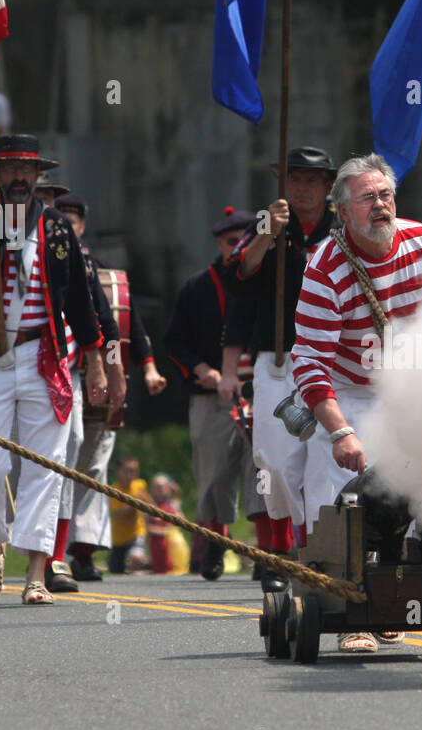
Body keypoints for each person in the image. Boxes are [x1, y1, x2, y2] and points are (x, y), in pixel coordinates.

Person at [0, 134, 108, 606]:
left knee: (46, 465)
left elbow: (80, 300)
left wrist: (95, 364)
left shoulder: (56, 226)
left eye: (26, 169)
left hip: (44, 358)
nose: (18, 177)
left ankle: (36, 570)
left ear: (38, 176)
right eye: (10, 168)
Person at [291, 152, 422, 650]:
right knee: (345, 496)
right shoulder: (325, 266)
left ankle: (402, 597)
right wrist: (339, 431)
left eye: (386, 195)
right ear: (342, 211)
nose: (381, 205)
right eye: (368, 198)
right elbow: (310, 361)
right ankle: (354, 611)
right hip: (349, 388)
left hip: (411, 386)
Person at [220, 146, 339, 592]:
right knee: (272, 458)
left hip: (328, 357)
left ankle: (308, 550)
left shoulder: (342, 226)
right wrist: (267, 234)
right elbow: (237, 277)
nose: (303, 187)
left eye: (311, 179)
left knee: (321, 455)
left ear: (328, 186)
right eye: (295, 179)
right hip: (277, 359)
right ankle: (283, 544)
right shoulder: (266, 225)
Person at [58, 193, 166, 584]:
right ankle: (35, 548)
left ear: (83, 226)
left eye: (73, 219)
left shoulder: (103, 272)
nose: (67, 225)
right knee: (56, 462)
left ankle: (81, 553)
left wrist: (148, 368)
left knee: (94, 465)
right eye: (60, 218)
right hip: (54, 377)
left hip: (99, 379)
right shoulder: (35, 266)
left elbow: (126, 325)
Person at [165, 209, 262, 580]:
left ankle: (265, 552)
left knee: (262, 472)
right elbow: (174, 341)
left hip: (258, 391)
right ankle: (216, 542)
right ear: (219, 244)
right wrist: (202, 371)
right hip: (211, 396)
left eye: (245, 239)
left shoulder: (266, 279)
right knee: (214, 473)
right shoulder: (196, 287)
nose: (238, 246)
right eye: (230, 241)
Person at [108, 455, 149, 574]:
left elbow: (150, 504)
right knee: (115, 569)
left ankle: (135, 573)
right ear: (118, 472)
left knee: (137, 557)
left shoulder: (140, 485)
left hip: (136, 533)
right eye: (128, 471)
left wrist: (144, 501)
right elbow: (117, 514)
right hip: (119, 538)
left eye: (135, 471)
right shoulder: (114, 490)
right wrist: (133, 502)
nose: (131, 475)